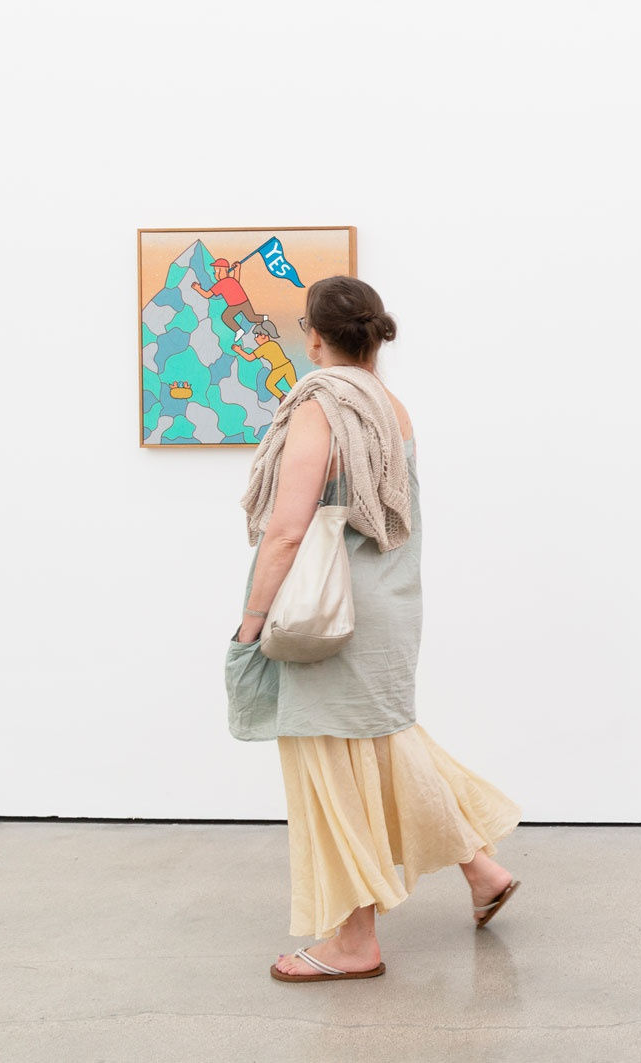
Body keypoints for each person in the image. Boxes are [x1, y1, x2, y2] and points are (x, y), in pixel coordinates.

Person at [230, 275, 522, 983]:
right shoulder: (391, 408)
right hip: (388, 604)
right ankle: (481, 870)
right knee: (386, 744)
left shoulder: (320, 407)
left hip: (327, 614)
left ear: (315, 335)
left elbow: (287, 529)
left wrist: (249, 623)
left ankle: (354, 941)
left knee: (330, 769)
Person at [194, 257, 278, 340]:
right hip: (244, 302)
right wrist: (237, 270)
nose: (215, 274)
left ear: (223, 270)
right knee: (251, 317)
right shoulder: (231, 280)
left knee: (226, 317)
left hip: (235, 305)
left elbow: (207, 295)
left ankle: (239, 330)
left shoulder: (220, 284)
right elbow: (236, 280)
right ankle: (265, 318)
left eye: (216, 271)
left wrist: (197, 288)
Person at [232, 324, 298, 399]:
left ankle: (283, 398)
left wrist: (238, 350)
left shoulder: (264, 347)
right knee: (296, 386)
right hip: (287, 366)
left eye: (257, 336)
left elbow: (249, 358)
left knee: (269, 384)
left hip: (279, 368)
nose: (255, 339)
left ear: (263, 336)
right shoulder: (273, 343)